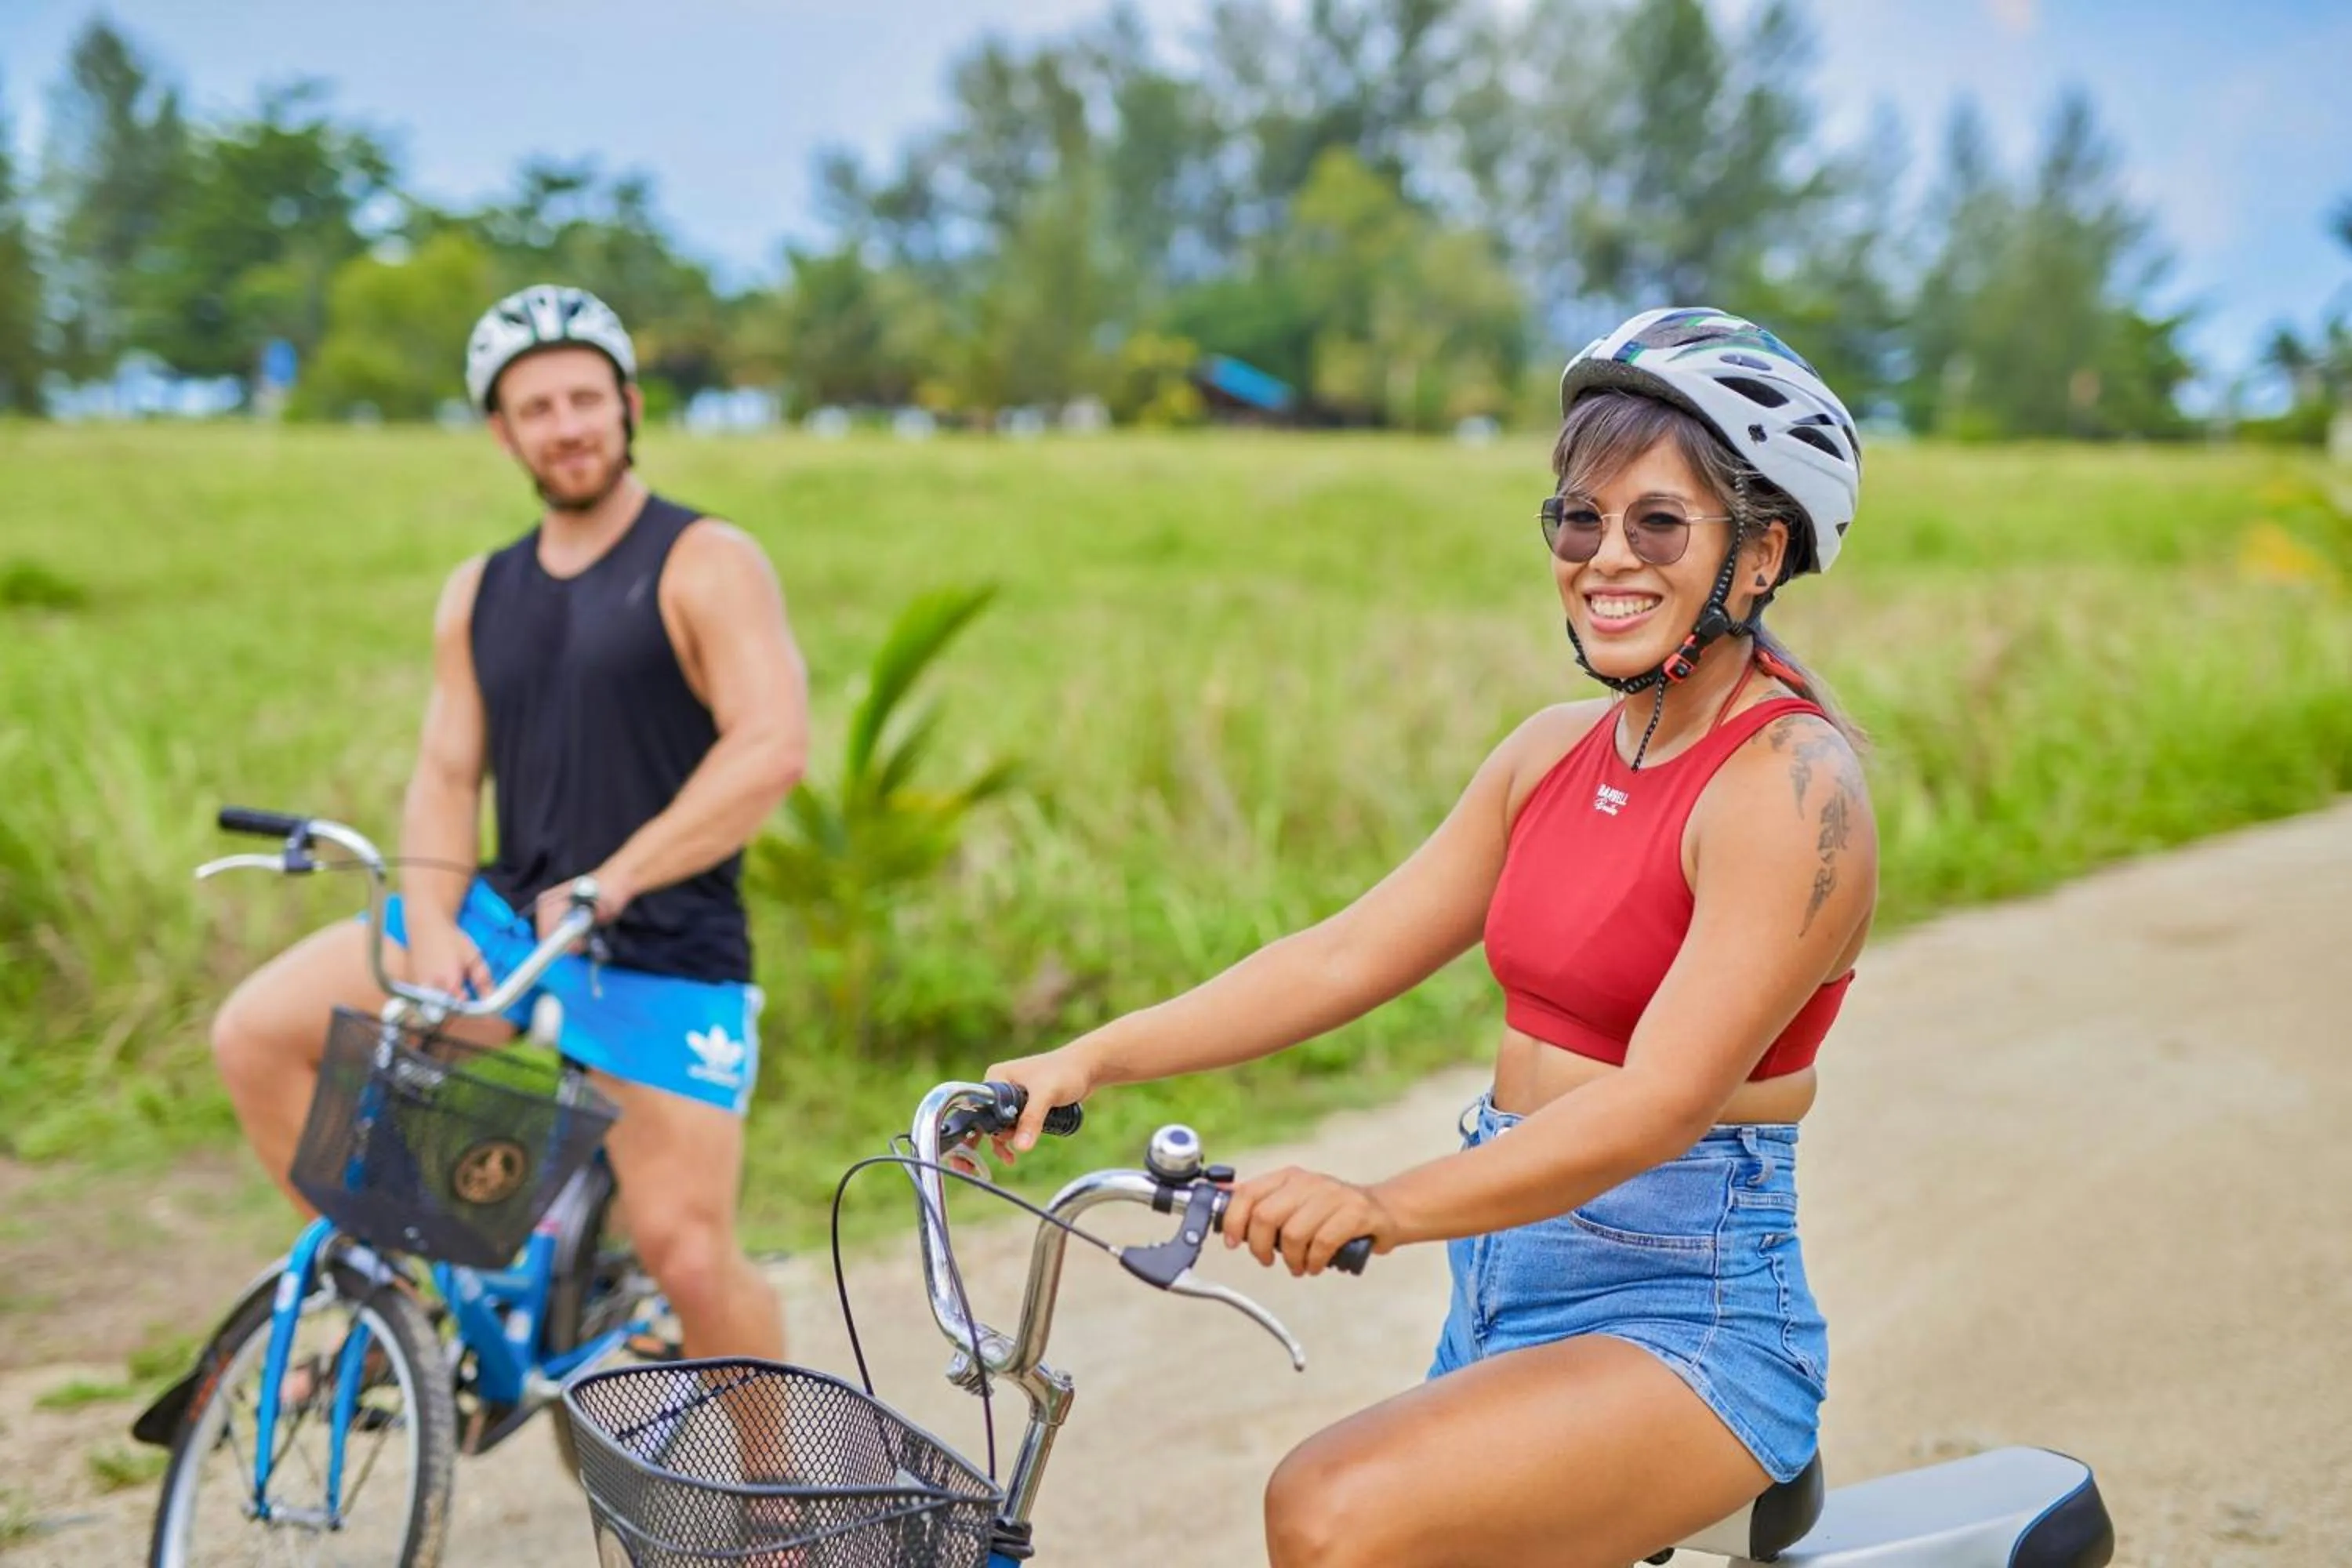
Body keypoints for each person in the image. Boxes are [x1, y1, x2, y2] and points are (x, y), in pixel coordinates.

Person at [989, 307, 1875, 1566]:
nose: (1604, 557)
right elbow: (1344, 956)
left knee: (1331, 1510)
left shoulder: (1792, 789)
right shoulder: (1549, 753)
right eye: (1579, 518)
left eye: (1657, 522)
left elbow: (1660, 1106)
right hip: (1509, 1289)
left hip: (1692, 1314)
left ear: (1760, 550)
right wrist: (1090, 1058)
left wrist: (1383, 1205)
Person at [211, 284, 809, 1364]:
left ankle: (773, 1507)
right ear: (503, 430)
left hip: (662, 953)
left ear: (628, 404)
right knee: (260, 1035)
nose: (567, 425)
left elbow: (769, 748)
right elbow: (447, 773)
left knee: (690, 1255)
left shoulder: (706, 560)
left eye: (586, 398)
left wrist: (618, 878)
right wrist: (434, 919)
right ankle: (387, 1300)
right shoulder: (479, 591)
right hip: (503, 924)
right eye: (537, 408)